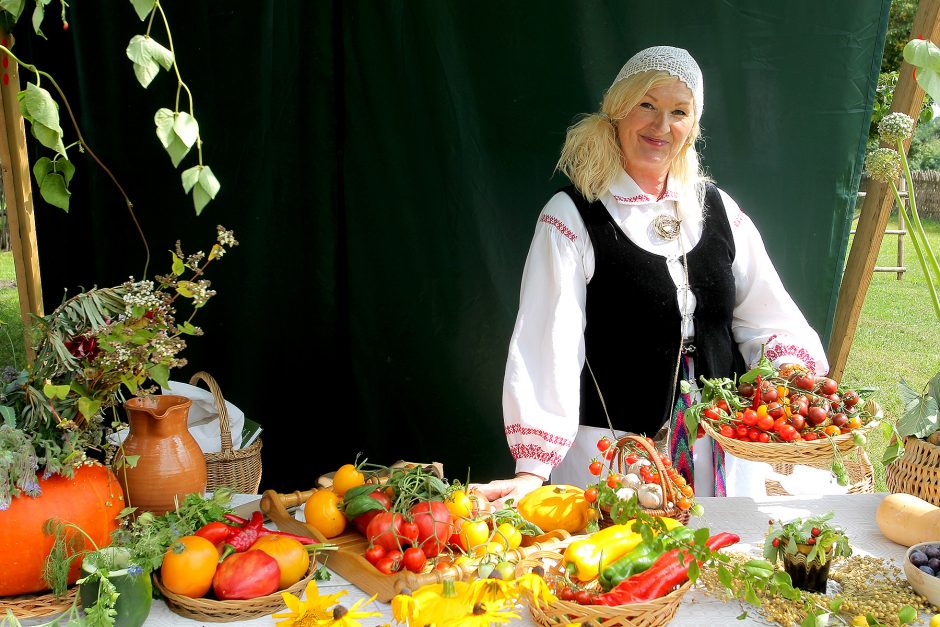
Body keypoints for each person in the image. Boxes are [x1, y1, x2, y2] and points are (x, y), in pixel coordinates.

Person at [474, 45, 829, 509]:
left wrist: (793, 382)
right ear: (618, 110)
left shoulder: (717, 210)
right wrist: (532, 469)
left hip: (714, 457)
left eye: (678, 112)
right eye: (647, 105)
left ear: (692, 126)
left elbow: (767, 315)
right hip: (611, 456)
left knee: (712, 565)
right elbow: (549, 339)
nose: (662, 126)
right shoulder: (573, 215)